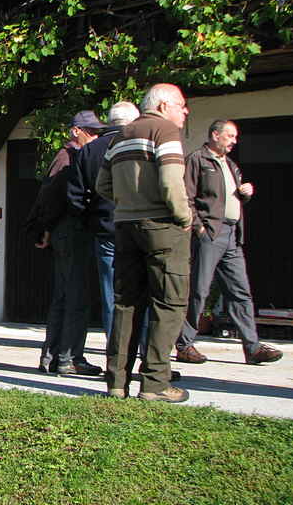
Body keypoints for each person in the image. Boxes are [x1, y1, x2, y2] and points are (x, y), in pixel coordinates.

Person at [96, 83, 192, 402]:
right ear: (163, 106)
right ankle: (155, 384)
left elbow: (102, 184)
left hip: (125, 226)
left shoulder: (121, 135)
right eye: (180, 104)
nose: (185, 111)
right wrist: (184, 216)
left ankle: (116, 382)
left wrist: (127, 202)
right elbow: (171, 181)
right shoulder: (165, 130)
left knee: (126, 303)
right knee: (169, 302)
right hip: (163, 226)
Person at [175, 120, 283, 365]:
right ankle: (184, 345)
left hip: (232, 234)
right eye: (230, 136)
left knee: (240, 292)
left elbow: (227, 200)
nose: (234, 141)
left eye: (235, 137)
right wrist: (199, 228)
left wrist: (245, 194)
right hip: (210, 233)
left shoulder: (231, 165)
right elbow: (186, 197)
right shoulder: (198, 160)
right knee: (199, 290)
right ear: (215, 135)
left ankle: (253, 348)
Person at [34, 110, 105, 376]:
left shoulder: (71, 156)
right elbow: (49, 196)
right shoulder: (68, 157)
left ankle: (51, 357)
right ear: (76, 131)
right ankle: (69, 358)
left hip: (65, 232)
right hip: (70, 232)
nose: (95, 137)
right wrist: (47, 228)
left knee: (64, 296)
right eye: (91, 131)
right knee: (76, 297)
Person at [67, 102, 140, 339]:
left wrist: (91, 218)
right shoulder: (140, 145)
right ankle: (145, 349)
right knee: (143, 291)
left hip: (105, 227)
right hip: (139, 226)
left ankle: (115, 348)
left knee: (111, 293)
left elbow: (75, 196)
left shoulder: (89, 150)